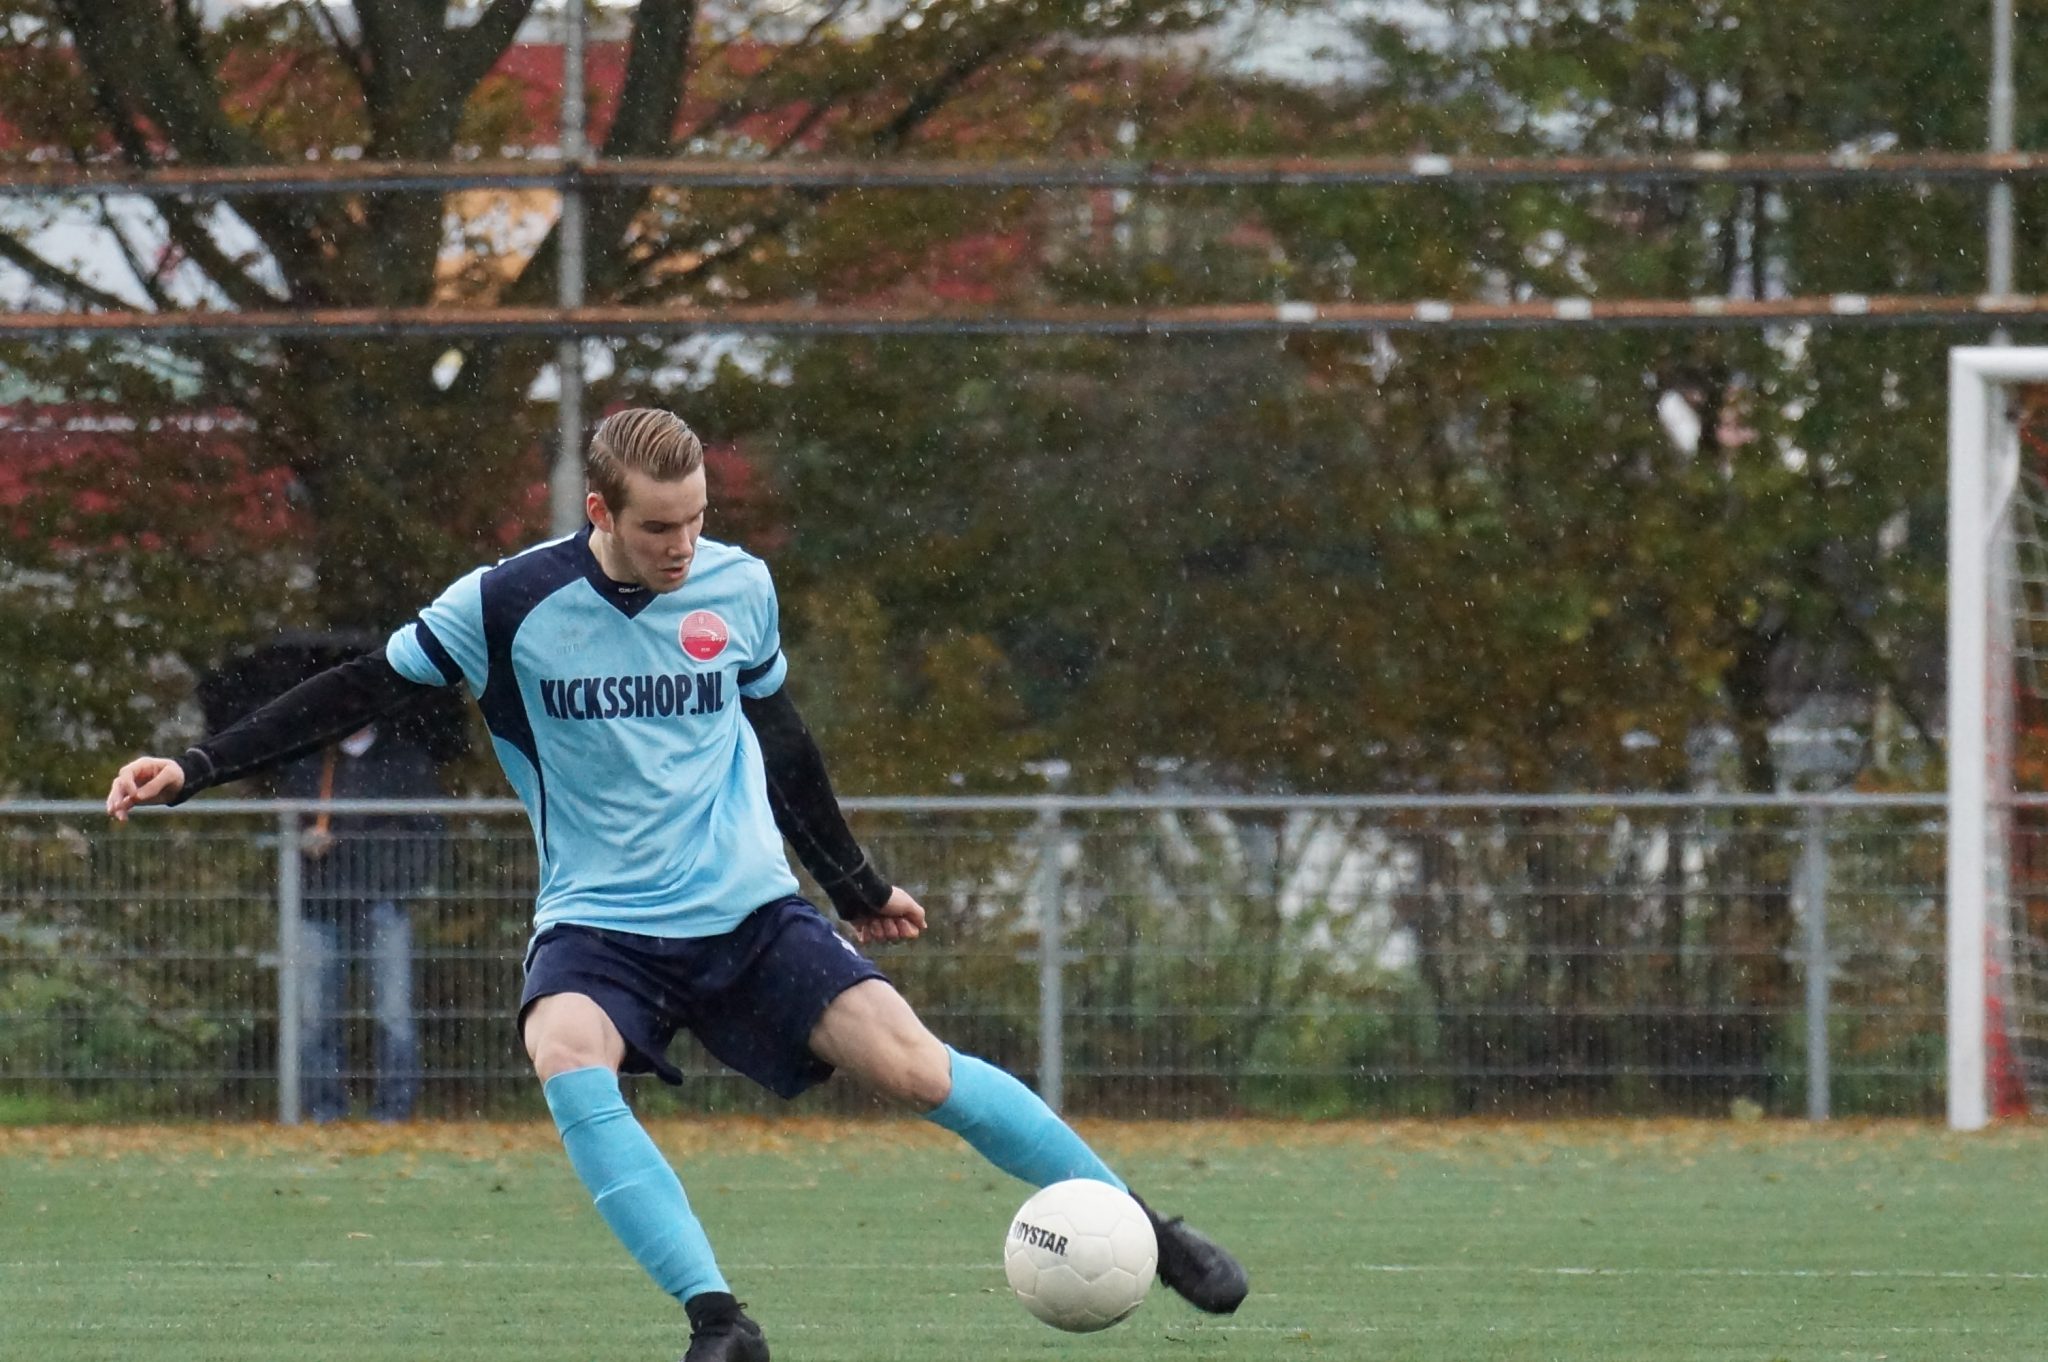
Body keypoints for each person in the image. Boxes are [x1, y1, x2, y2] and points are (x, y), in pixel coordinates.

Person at [106, 407, 1248, 1362]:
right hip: (600, 923)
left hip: (747, 911)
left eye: (697, 518)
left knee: (915, 1066)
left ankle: (1145, 1230)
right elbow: (356, 688)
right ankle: (719, 1323)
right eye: (659, 526)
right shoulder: (503, 606)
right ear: (599, 512)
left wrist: (854, 884)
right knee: (563, 1048)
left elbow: (783, 741)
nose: (683, 545)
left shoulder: (738, 588)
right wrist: (196, 768)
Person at [281, 723, 439, 1122]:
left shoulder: (405, 761)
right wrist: (304, 843)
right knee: (314, 1013)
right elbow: (287, 826)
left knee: (393, 1011)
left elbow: (428, 832)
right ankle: (324, 1112)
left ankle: (393, 1112)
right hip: (318, 902)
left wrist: (400, 879)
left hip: (384, 901)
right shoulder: (309, 762)